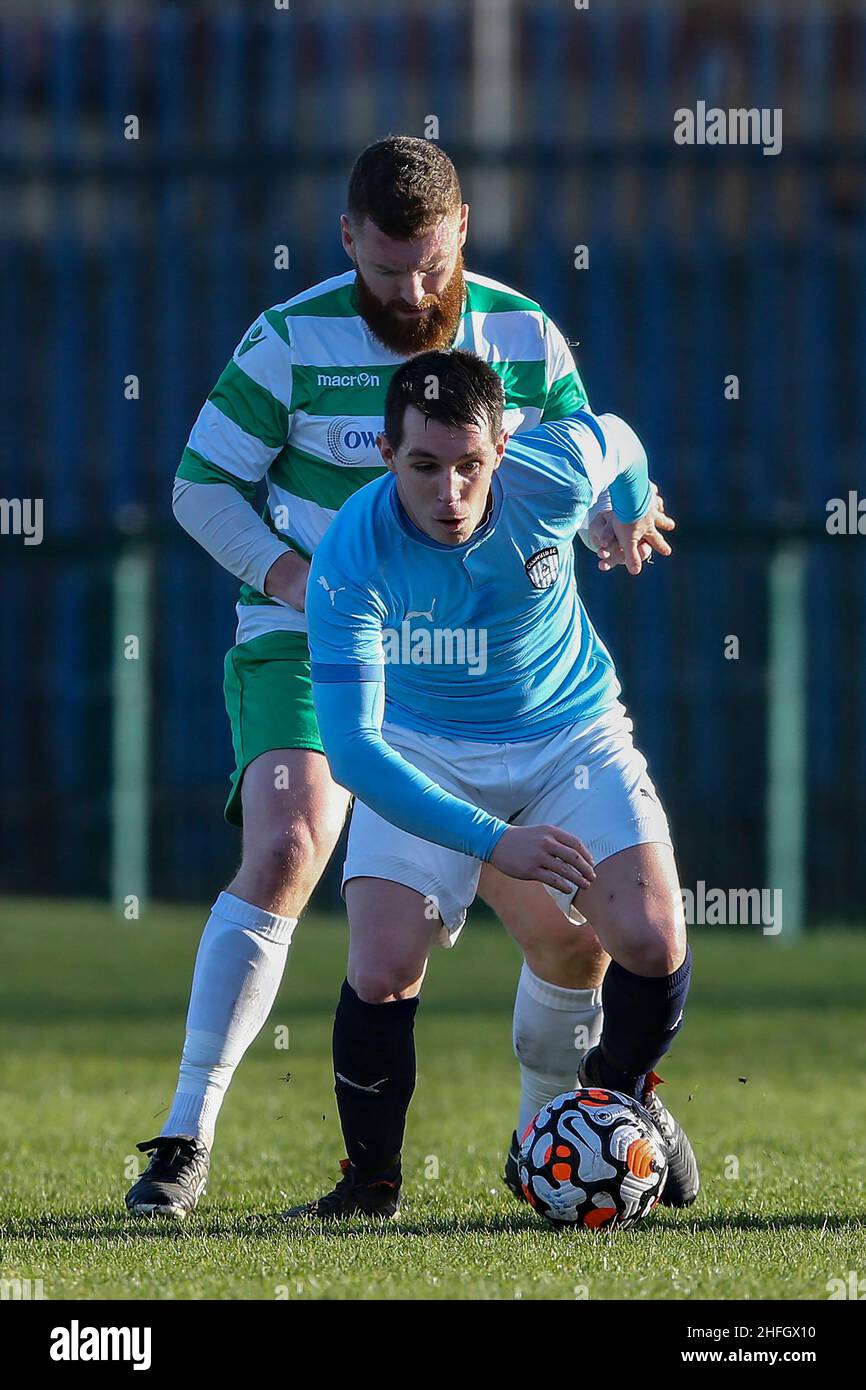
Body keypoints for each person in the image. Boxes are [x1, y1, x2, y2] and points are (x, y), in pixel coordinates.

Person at [124, 136, 669, 1219]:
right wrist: (295, 576)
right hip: (315, 631)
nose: (410, 292)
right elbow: (199, 485)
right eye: (383, 272)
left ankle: (562, 1130)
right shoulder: (287, 338)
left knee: (566, 934)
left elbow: (591, 448)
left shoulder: (519, 331)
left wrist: (618, 513)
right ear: (345, 242)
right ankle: (187, 1136)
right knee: (286, 847)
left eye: (427, 266)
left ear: (460, 228)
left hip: (473, 664)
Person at [285, 349, 697, 1221]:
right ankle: (370, 1186)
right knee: (384, 964)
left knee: (654, 940)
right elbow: (354, 754)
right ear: (386, 456)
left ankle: (612, 1096)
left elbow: (618, 438)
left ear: (503, 449)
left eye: (470, 465)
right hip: (422, 747)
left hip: (570, 735)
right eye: (424, 466)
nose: (449, 491)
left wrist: (626, 511)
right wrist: (493, 842)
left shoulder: (550, 473)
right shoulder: (349, 556)